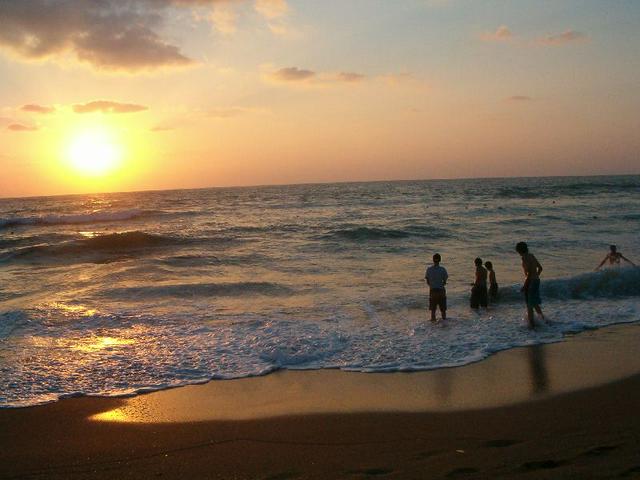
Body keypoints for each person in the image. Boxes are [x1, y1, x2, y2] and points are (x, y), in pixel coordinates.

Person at [515, 241, 545, 329]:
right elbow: (540, 268)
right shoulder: (531, 255)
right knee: (535, 303)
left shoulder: (524, 258)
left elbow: (529, 273)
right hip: (536, 281)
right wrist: (535, 277)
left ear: (519, 250)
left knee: (529, 304)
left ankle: (532, 326)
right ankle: (543, 319)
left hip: (531, 282)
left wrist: (525, 286)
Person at [425, 253, 448, 322]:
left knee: (433, 310)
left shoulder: (429, 269)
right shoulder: (443, 269)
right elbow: (445, 281)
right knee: (443, 310)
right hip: (441, 290)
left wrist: (432, 285)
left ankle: (433, 328)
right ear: (440, 260)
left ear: (433, 260)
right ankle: (444, 325)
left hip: (433, 291)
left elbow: (427, 280)